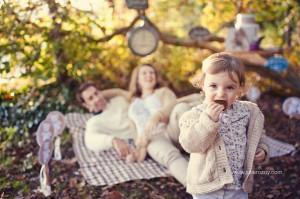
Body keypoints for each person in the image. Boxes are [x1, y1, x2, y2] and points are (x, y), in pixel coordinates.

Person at [178, 52, 269, 198]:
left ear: (240, 89)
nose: (221, 93)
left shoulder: (248, 112)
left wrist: (262, 149)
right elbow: (191, 145)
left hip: (238, 187)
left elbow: (258, 135)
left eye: (229, 87)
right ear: (202, 86)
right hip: (207, 188)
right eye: (213, 86)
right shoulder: (193, 116)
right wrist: (208, 120)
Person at [127, 63, 189, 185]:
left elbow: (171, 110)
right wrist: (140, 145)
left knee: (182, 107)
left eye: (152, 73)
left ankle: (204, 145)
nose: (149, 75)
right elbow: (135, 129)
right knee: (171, 157)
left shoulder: (162, 92)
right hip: (152, 137)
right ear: (137, 79)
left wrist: (157, 116)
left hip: (172, 130)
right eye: (144, 73)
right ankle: (201, 191)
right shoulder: (133, 102)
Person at [76, 81, 136, 159]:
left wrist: (118, 92)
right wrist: (113, 141)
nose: (97, 98)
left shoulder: (119, 100)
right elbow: (90, 141)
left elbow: (138, 100)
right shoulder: (94, 122)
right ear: (86, 105)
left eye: (96, 93)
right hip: (143, 140)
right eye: (91, 98)